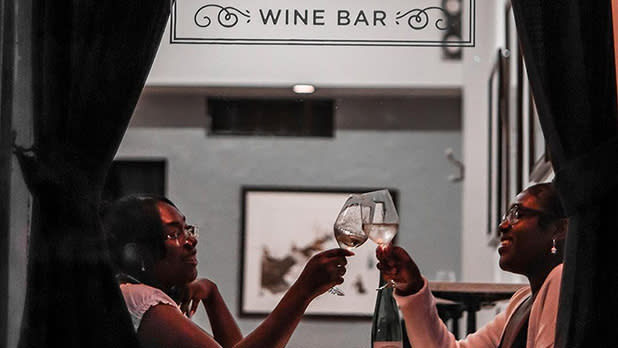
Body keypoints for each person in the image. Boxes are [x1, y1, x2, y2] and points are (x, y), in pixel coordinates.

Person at [102, 194, 352, 348]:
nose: (191, 240)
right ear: (139, 253)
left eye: (187, 229)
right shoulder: (141, 299)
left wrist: (211, 292)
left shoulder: (137, 296)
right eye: (173, 233)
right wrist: (303, 291)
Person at [376, 182, 567, 348]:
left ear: (559, 229)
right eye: (505, 216)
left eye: (517, 214)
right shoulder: (522, 301)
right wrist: (413, 287)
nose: (503, 225)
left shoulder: (561, 280)